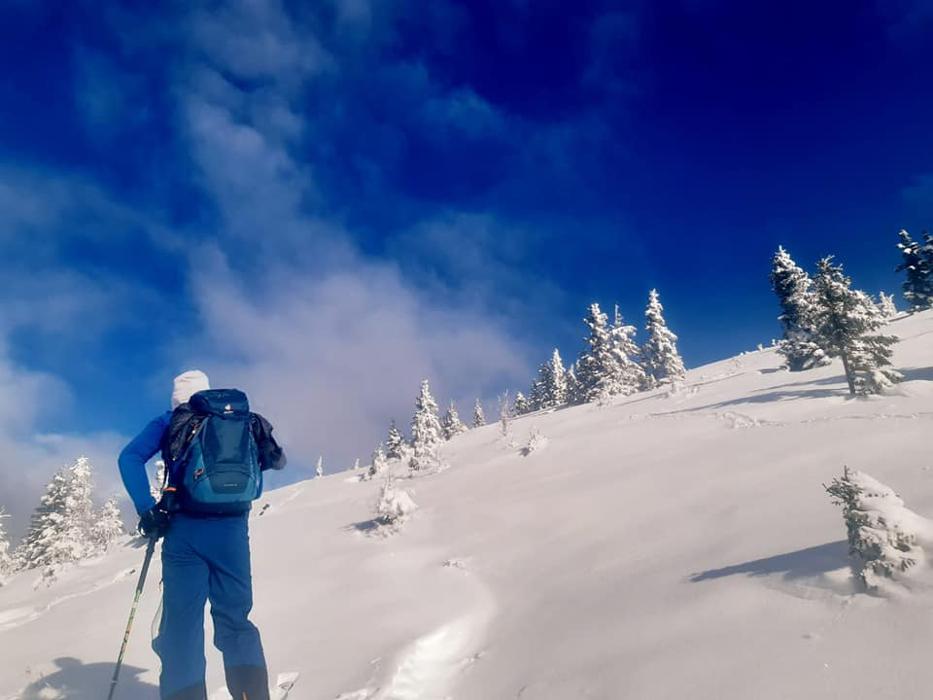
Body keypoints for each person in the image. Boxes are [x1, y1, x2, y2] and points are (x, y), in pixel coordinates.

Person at [119, 370, 286, 700]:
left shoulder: (171, 420)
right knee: (235, 620)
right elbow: (275, 460)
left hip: (185, 534)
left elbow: (129, 458)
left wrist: (147, 509)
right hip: (233, 533)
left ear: (177, 399)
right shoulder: (242, 420)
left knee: (181, 629)